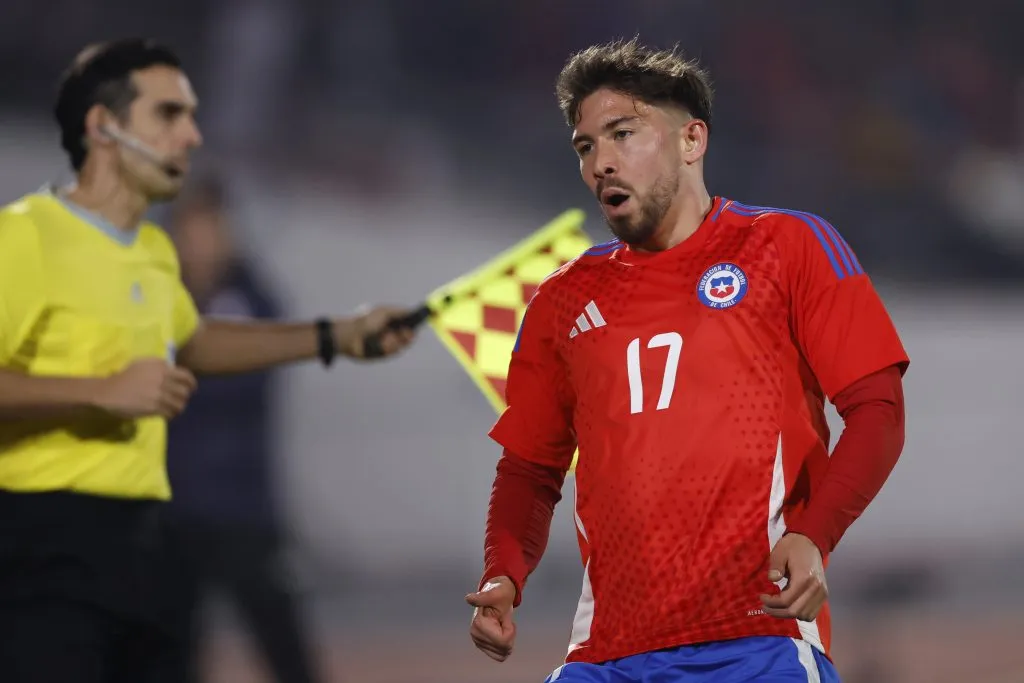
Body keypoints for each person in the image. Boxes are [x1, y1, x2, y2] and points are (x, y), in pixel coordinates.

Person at [465, 38, 909, 683]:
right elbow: (530, 468)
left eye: (623, 134)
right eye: (586, 147)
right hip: (605, 654)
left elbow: (878, 412)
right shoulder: (563, 298)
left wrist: (814, 534)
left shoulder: (787, 245)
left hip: (758, 638)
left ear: (691, 140)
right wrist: (503, 573)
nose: (601, 165)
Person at [0, 38, 417, 683]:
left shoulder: (150, 257)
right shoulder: (23, 238)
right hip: (45, 557)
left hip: (142, 554)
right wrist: (102, 391)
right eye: (169, 115)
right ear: (103, 128)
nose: (192, 135)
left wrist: (337, 336)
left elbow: (194, 341)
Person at [161, 176, 320, 683]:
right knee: (170, 650)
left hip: (246, 511)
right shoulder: (156, 299)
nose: (201, 239)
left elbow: (240, 381)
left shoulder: (256, 299)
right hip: (172, 512)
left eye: (210, 225)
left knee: (285, 646)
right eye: (190, 227)